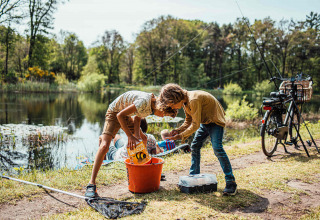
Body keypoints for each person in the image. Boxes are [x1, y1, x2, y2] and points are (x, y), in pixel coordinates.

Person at [85, 90, 176, 198]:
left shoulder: (151, 106)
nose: (162, 117)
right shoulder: (144, 102)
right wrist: (130, 136)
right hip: (115, 112)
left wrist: (137, 137)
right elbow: (119, 115)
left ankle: (145, 172)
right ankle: (91, 183)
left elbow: (137, 119)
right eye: (164, 114)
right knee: (105, 146)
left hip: (126, 115)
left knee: (144, 138)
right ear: (161, 107)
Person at [158, 83, 237, 196]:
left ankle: (231, 182)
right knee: (195, 146)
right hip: (205, 122)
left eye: (171, 104)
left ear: (175, 98)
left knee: (217, 148)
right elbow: (188, 120)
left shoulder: (193, 99)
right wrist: (178, 130)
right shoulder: (185, 102)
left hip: (215, 121)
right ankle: (193, 178)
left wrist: (180, 136)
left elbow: (195, 125)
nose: (173, 108)